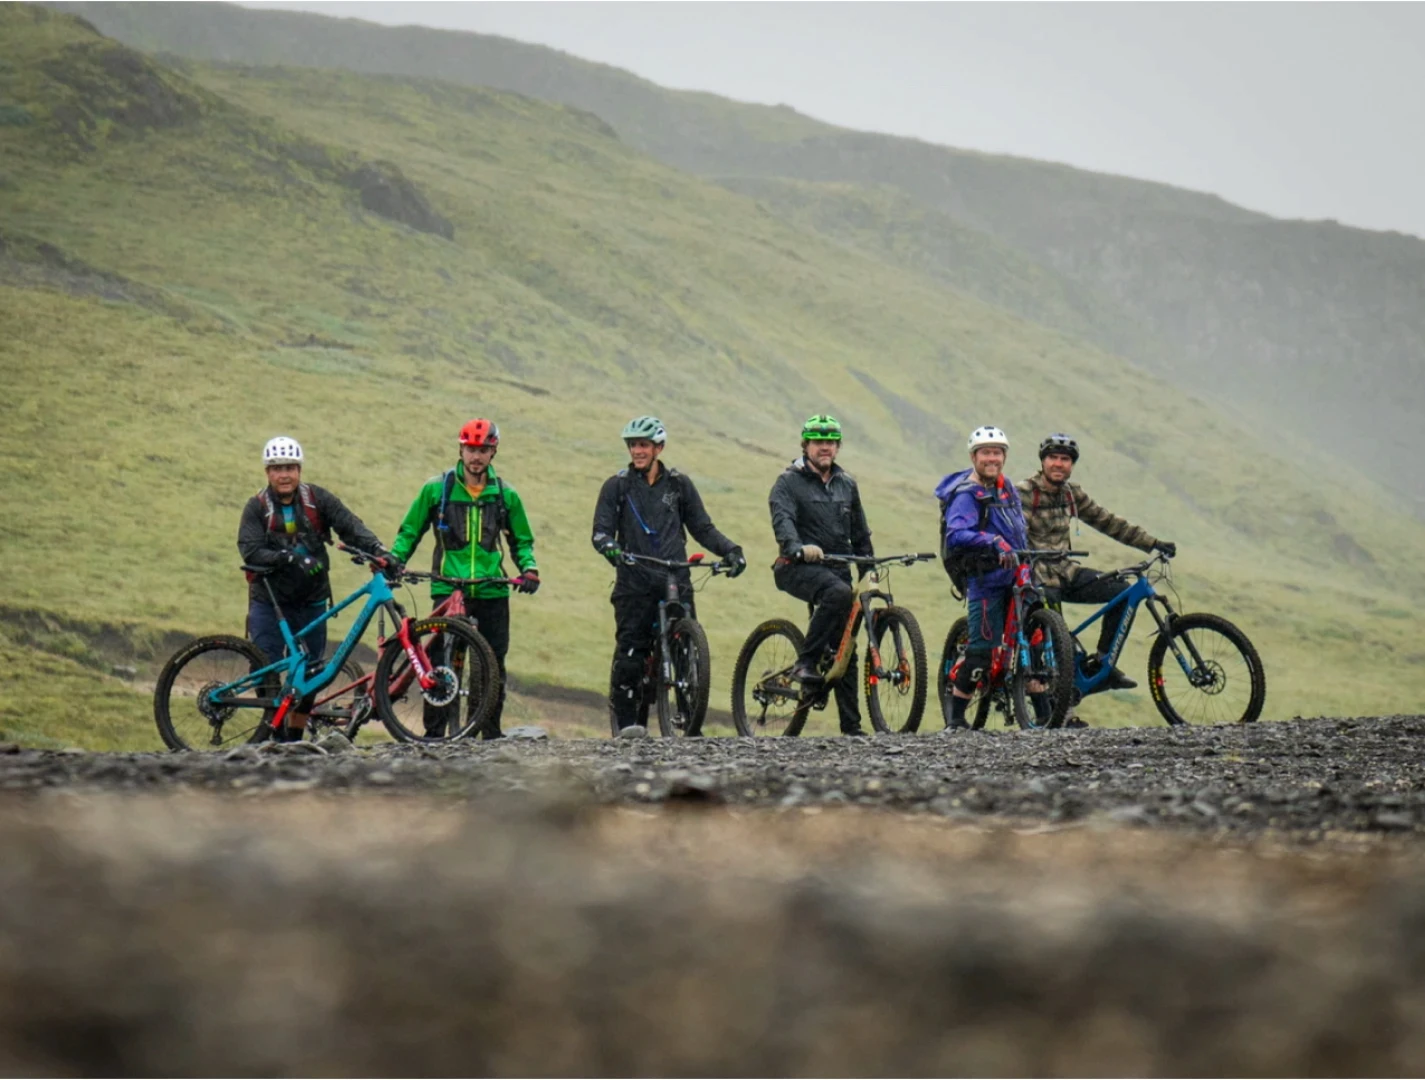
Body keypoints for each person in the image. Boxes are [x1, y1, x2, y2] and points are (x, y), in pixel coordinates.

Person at [591, 416, 746, 739]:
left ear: (658, 448)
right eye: (633, 445)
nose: (637, 450)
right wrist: (610, 547)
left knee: (686, 653)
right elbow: (601, 531)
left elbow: (702, 527)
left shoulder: (679, 485)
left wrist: (731, 550)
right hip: (634, 580)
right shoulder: (616, 486)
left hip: (676, 578)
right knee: (631, 653)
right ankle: (626, 725)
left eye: (643, 445)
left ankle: (690, 723)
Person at [390, 418, 540, 739]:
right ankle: (434, 734)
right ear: (461, 448)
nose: (476, 456)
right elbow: (409, 531)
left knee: (492, 664)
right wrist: (396, 561)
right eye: (471, 449)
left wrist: (529, 569)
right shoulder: (436, 489)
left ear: (493, 452)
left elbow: (521, 540)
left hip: (491, 591)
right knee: (440, 664)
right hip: (448, 589)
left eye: (483, 450)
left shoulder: (505, 495)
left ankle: (488, 733)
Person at [238, 436, 395, 741]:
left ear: (299, 469)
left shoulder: (317, 500)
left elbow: (349, 525)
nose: (285, 474)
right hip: (270, 602)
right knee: (266, 668)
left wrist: (377, 549)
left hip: (311, 601)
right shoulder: (256, 507)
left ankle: (293, 736)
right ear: (268, 472)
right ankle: (271, 731)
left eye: (290, 468)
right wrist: (288, 557)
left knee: (312, 674)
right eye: (277, 468)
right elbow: (250, 550)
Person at [1018, 433, 1175, 696]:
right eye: (1053, 458)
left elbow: (1108, 521)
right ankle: (1056, 702)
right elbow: (1009, 533)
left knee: (1121, 592)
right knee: (1057, 640)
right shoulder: (1023, 492)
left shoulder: (1071, 494)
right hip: (1037, 577)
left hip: (1067, 572)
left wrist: (1152, 542)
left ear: (1072, 464)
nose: (1059, 464)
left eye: (1065, 459)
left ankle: (1100, 664)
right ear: (1043, 461)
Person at [768, 414, 875, 738]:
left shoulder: (847, 484)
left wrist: (868, 573)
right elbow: (782, 519)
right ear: (806, 445)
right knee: (837, 595)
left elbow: (860, 533)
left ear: (837, 446)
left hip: (838, 571)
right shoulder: (788, 482)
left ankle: (851, 727)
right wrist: (797, 547)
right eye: (818, 441)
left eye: (830, 442)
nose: (824, 447)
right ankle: (805, 662)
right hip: (796, 567)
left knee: (846, 647)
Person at [935, 426, 1028, 730]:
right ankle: (957, 718)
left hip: (1016, 574)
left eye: (997, 453)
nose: (992, 458)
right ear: (974, 457)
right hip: (984, 578)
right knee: (981, 650)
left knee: (1036, 638)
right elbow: (957, 533)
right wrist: (991, 541)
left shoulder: (1006, 487)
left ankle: (1047, 717)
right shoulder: (966, 494)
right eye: (986, 453)